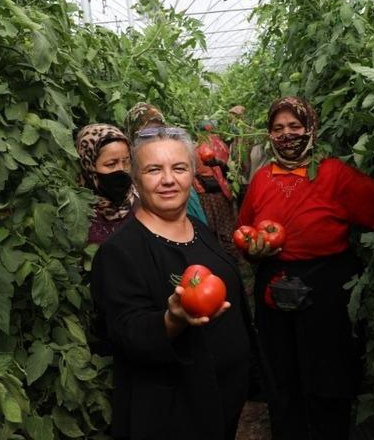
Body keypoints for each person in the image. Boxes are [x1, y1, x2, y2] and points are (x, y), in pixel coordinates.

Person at [237, 96, 374, 440]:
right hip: (274, 282)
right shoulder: (263, 179)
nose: (287, 135)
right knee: (281, 369)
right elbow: (245, 228)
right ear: (269, 135)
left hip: (326, 284)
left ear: (311, 128)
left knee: (328, 369)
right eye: (278, 129)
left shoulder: (333, 173)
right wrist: (254, 250)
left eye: (295, 127)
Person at [91, 126, 252, 440]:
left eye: (178, 168)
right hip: (172, 412)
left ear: (192, 174)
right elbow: (126, 331)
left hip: (221, 400)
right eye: (154, 170)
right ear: (136, 178)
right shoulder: (120, 252)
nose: (168, 179)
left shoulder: (199, 231)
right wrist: (172, 319)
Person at [124, 102, 208, 225]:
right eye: (146, 133)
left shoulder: (185, 189)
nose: (154, 137)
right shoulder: (129, 180)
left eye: (159, 130)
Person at [75, 124, 136, 244]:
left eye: (126, 161)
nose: (121, 169)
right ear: (89, 166)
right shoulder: (76, 212)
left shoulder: (143, 203)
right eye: (111, 164)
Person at [194, 122, 239, 258]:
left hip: (205, 194)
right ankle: (234, 257)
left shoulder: (197, 149)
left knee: (211, 228)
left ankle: (218, 258)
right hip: (223, 191)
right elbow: (230, 169)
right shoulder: (222, 146)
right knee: (226, 226)